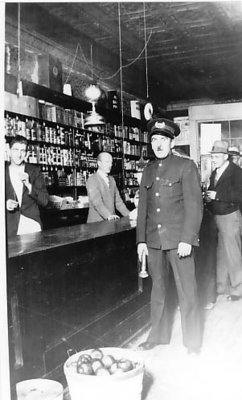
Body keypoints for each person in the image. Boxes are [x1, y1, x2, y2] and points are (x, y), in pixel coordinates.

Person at [136, 118, 203, 354]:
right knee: (158, 290)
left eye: (162, 139)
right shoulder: (148, 170)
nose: (158, 144)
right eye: (154, 140)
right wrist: (141, 241)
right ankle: (158, 336)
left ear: (171, 141)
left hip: (178, 241)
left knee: (188, 291)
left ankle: (193, 343)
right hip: (154, 241)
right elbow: (143, 207)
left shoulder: (186, 166)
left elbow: (195, 206)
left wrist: (188, 238)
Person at [206, 140, 242, 301]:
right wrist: (208, 195)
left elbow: (239, 196)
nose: (214, 159)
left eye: (217, 156)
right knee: (220, 253)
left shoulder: (236, 172)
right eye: (213, 156)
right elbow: (213, 191)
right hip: (216, 217)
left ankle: (238, 289)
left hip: (230, 217)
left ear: (226, 156)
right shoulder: (215, 172)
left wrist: (217, 196)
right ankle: (221, 286)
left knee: (233, 254)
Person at [5, 135, 49, 238]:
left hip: (31, 225)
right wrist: (5, 204)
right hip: (9, 226)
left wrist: (29, 185)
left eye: (23, 151)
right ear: (9, 151)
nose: (19, 154)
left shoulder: (34, 171)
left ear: (27, 153)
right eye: (16, 150)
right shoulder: (2, 172)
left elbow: (45, 201)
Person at [86, 152, 132, 223]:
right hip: (96, 224)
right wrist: (108, 216)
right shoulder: (92, 180)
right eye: (107, 162)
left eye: (111, 162)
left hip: (111, 222)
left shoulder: (112, 179)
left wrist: (130, 215)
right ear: (99, 163)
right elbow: (97, 203)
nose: (110, 165)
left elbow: (118, 202)